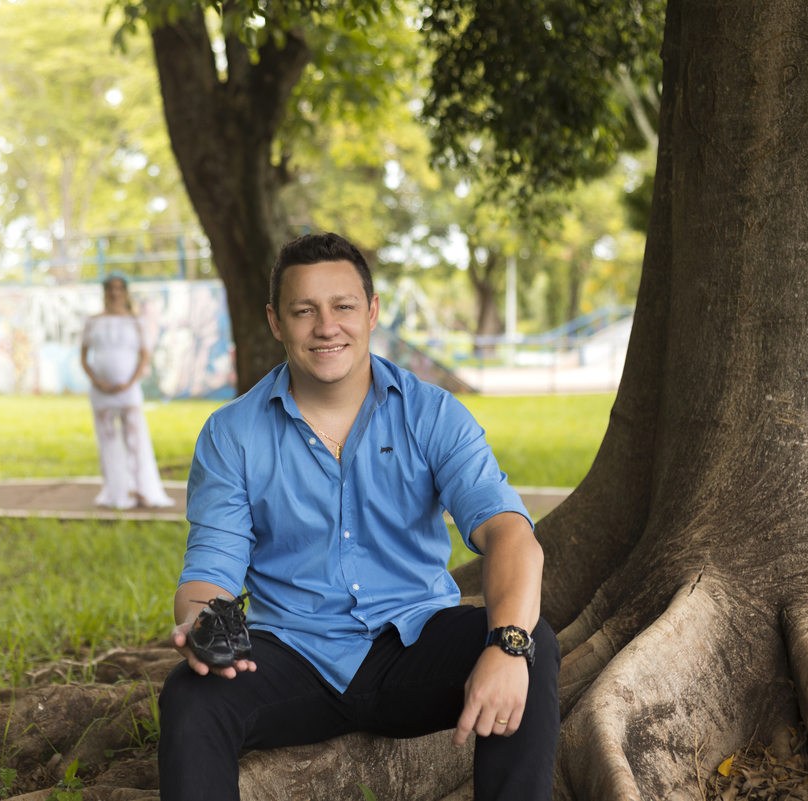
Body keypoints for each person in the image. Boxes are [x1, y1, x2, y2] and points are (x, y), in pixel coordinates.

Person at [157, 233, 559, 800]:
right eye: (305, 310)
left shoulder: (433, 413)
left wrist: (507, 645)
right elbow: (210, 571)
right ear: (277, 321)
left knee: (530, 644)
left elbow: (511, 534)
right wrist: (205, 627)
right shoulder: (232, 434)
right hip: (295, 655)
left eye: (343, 306)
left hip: (415, 646)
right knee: (190, 695)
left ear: (371, 312)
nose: (327, 327)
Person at [79, 274, 175, 510]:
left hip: (128, 391)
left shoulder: (136, 321)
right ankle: (117, 492)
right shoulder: (92, 321)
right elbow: (83, 356)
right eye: (111, 288)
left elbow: (145, 355)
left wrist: (130, 382)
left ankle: (142, 490)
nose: (115, 292)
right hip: (101, 392)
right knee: (108, 441)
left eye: (119, 288)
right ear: (104, 291)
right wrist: (98, 381)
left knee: (136, 439)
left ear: (125, 291)